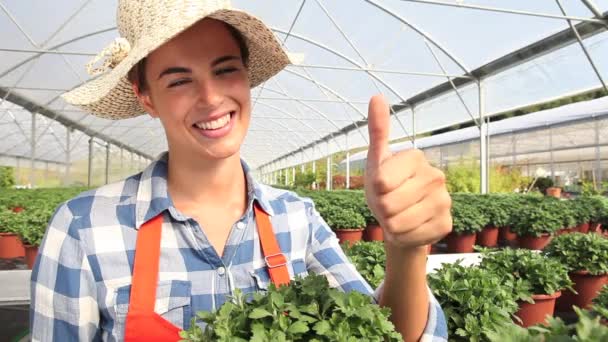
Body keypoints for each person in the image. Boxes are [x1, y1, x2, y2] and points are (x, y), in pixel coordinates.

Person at [30, 1, 452, 341]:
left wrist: (407, 251)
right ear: (147, 97)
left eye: (225, 69)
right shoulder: (82, 228)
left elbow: (384, 333)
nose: (211, 98)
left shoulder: (296, 218)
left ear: (247, 76)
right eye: (179, 81)